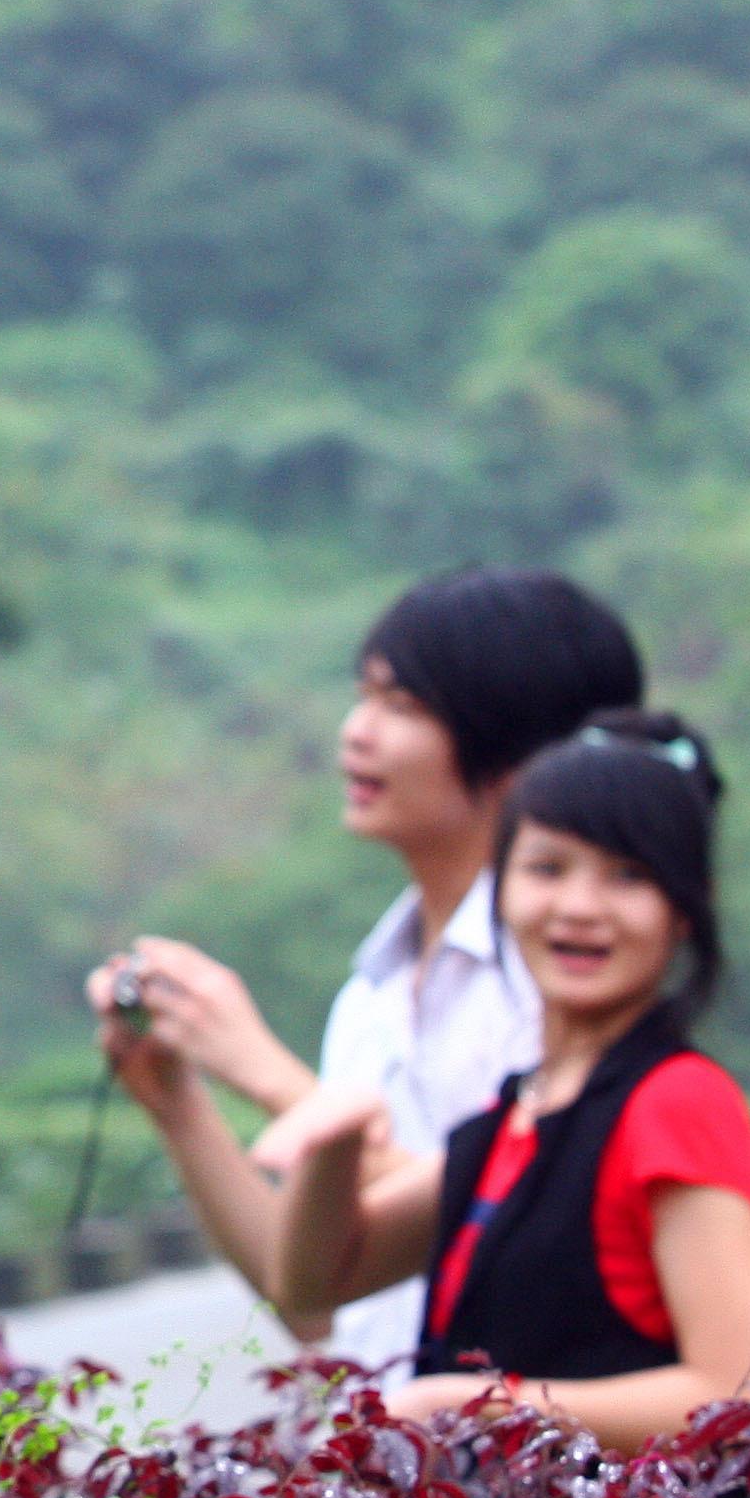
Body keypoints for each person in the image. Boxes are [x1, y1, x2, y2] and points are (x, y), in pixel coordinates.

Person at [116, 712, 750, 1453]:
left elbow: (747, 1402)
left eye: (629, 875)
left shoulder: (674, 1101)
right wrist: (333, 1134)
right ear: (500, 886)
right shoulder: (521, 1111)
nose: (580, 907)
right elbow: (310, 1284)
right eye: (547, 868)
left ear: (688, 907)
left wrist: (481, 1407)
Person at [86, 567, 645, 1371]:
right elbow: (315, 1297)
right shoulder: (374, 991)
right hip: (395, 1477)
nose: (356, 732)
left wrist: (272, 1076)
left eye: (403, 707)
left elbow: (540, 1229)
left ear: (524, 756)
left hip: (538, 1474)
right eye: (365, 697)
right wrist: (175, 1099)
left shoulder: (564, 980)